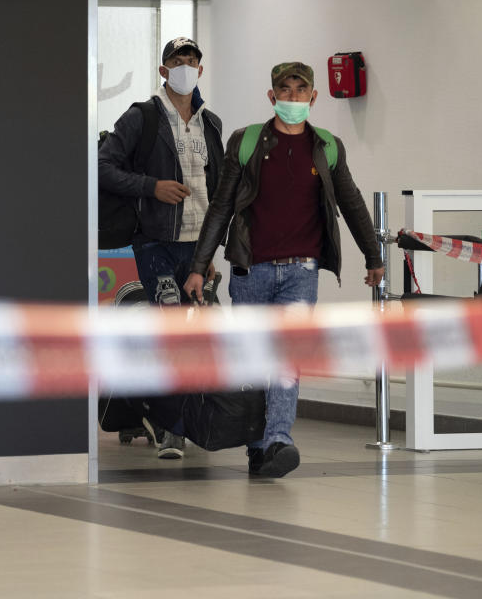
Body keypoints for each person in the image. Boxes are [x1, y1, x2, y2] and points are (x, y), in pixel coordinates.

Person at [184, 61, 384, 478]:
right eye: (284, 90)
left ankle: (278, 439)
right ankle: (260, 447)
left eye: (300, 90)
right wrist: (199, 267)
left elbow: (352, 204)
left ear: (313, 97)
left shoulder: (328, 147)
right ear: (272, 97)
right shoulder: (247, 142)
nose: (292, 98)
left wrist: (373, 256)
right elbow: (221, 207)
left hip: (301, 271)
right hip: (250, 269)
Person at [98, 37, 224, 459]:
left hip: (199, 245)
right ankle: (172, 428)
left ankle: (181, 415)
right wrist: (152, 187)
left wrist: (211, 254)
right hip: (155, 240)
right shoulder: (143, 117)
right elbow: (102, 167)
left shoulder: (211, 124)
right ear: (163, 70)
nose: (185, 66)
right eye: (177, 60)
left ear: (200, 71)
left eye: (192, 60)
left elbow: (219, 192)